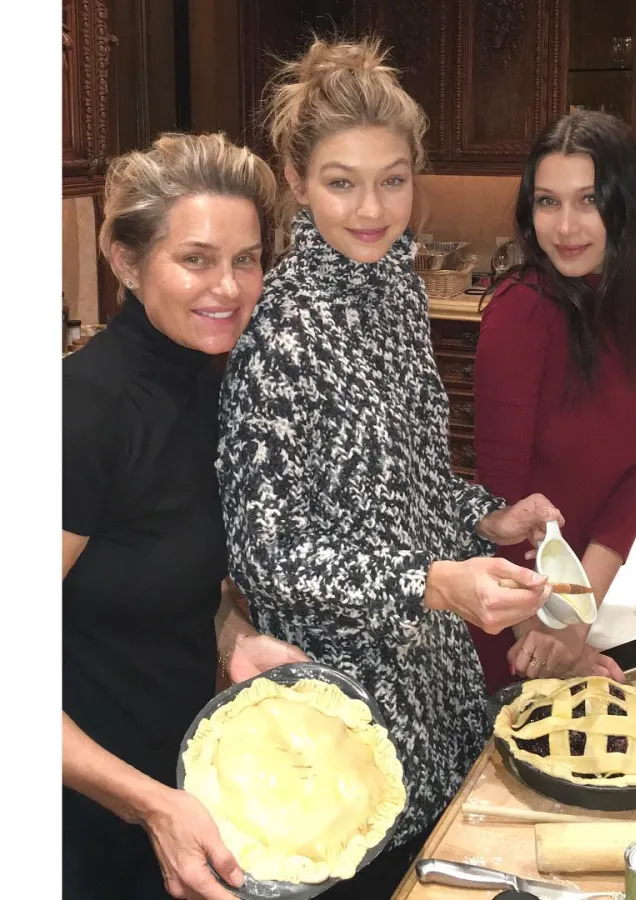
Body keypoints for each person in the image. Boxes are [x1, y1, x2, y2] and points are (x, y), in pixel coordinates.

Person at [216, 37, 561, 899]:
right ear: (295, 181)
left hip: (439, 692)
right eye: (341, 181)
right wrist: (431, 582)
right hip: (344, 720)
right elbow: (269, 556)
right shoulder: (279, 331)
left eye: (393, 179)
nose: (372, 208)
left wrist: (487, 516)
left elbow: (404, 481)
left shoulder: (399, 290)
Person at [62, 132, 310, 900]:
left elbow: (155, 571)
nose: (229, 287)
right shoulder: (85, 412)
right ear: (128, 261)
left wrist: (235, 639)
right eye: (196, 258)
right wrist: (147, 804)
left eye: (246, 259)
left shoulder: (211, 382)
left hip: (176, 790)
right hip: (83, 818)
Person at [472, 110, 636, 694]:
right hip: (509, 617)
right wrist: (543, 637)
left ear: (624, 206)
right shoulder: (520, 312)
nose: (565, 227)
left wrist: (577, 618)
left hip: (580, 603)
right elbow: (501, 499)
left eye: (588, 200)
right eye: (547, 202)